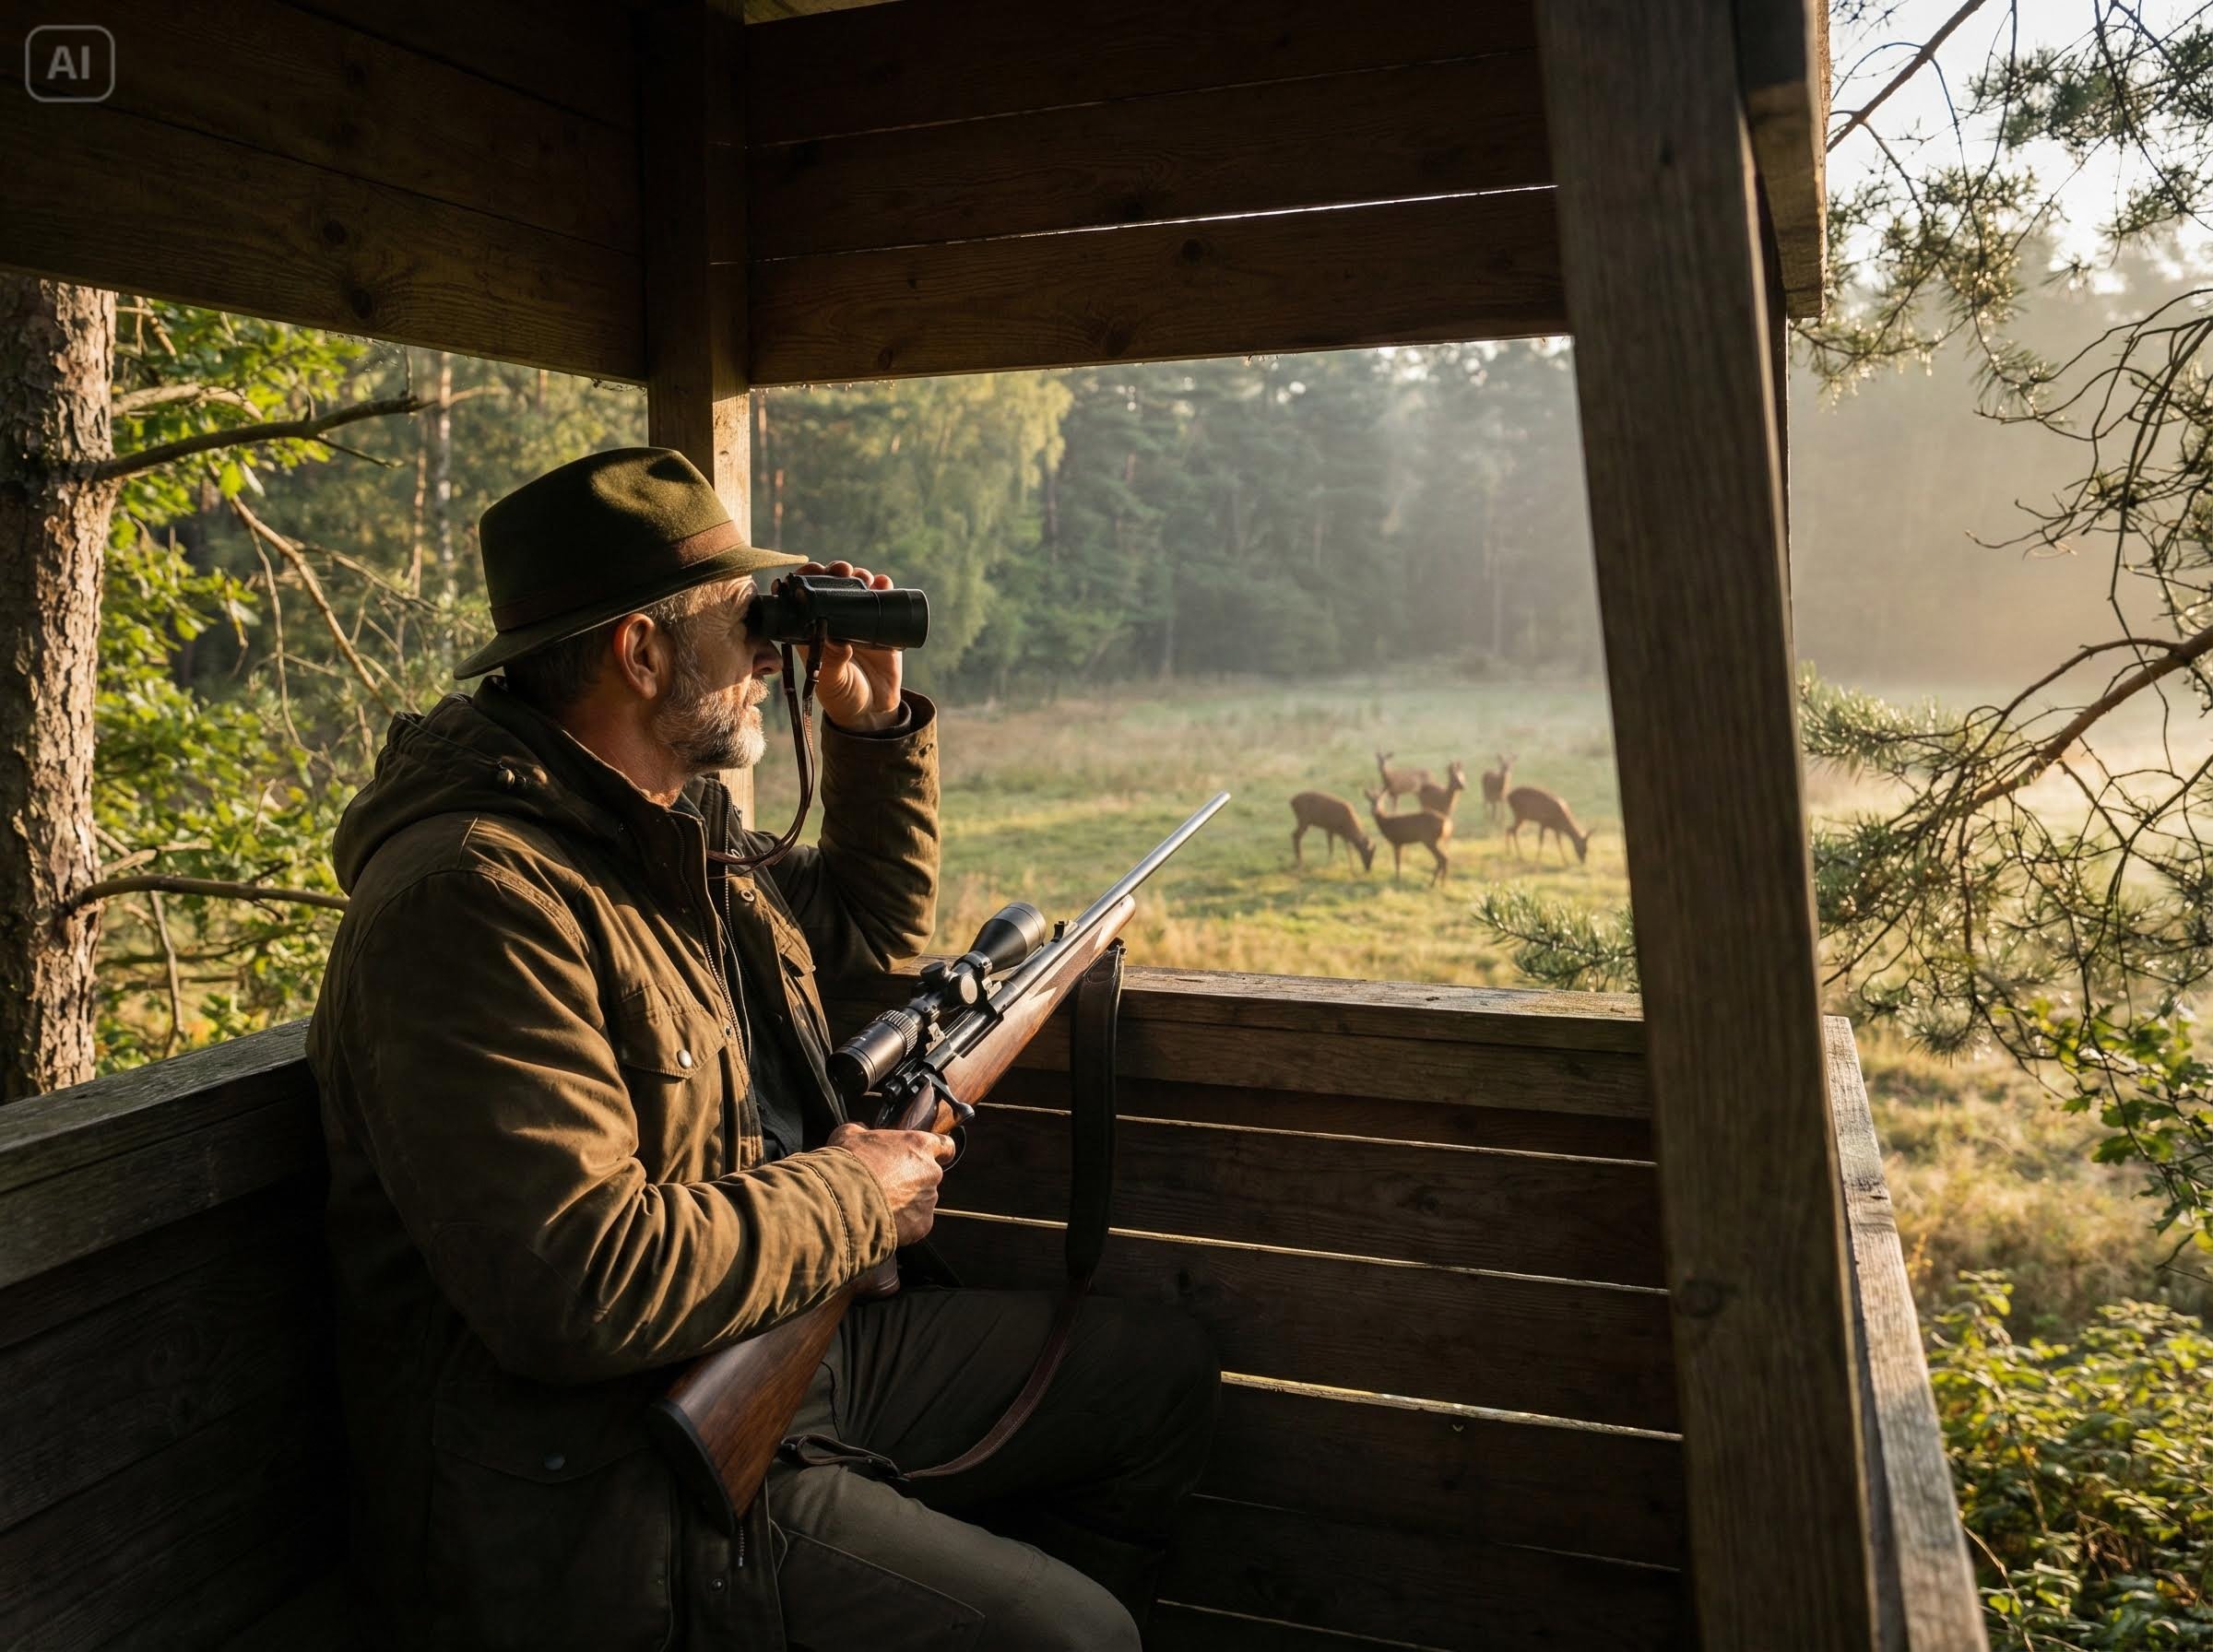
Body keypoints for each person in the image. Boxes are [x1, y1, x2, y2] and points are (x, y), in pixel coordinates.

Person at [307, 448, 1217, 1650]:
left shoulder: (670, 829)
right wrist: (858, 1194)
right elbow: (579, 1283)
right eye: (745, 623)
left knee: (1149, 1370)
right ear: (640, 653)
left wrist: (876, 726)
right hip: (618, 1480)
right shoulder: (476, 902)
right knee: (1076, 1639)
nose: (770, 652)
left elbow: (862, 927)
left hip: (789, 1340)